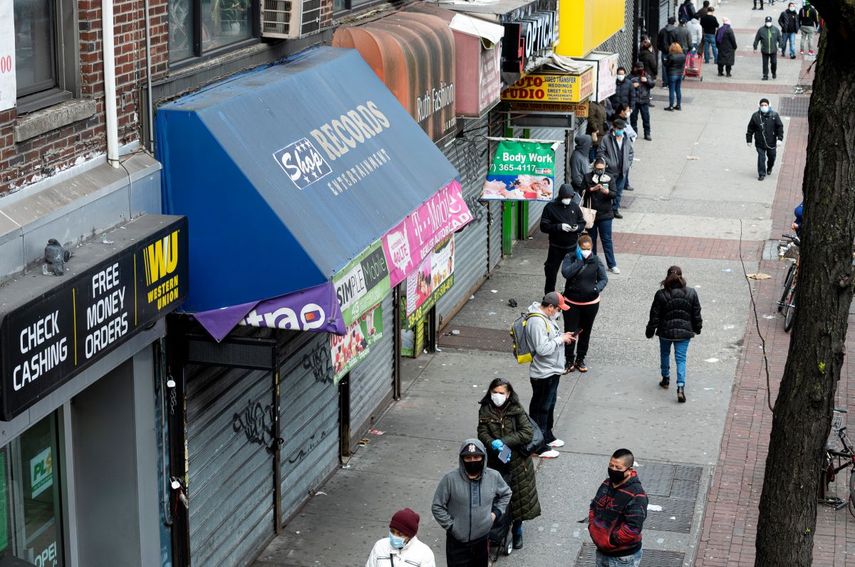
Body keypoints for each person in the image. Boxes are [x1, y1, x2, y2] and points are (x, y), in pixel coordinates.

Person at [477, 378, 541, 559]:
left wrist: (504, 442)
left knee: (518, 498)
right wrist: (492, 444)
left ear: (508, 394)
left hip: (518, 463)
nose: (497, 396)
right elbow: (482, 432)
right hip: (496, 462)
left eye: (501, 393)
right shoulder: (485, 409)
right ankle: (497, 532)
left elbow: (526, 432)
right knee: (498, 498)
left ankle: (518, 529)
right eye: (494, 392)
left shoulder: (516, 410)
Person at [432, 440, 512, 567]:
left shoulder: (494, 476)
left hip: (482, 541)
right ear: (462, 459)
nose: (472, 460)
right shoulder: (450, 480)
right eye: (468, 458)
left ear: (483, 457)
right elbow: (437, 506)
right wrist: (452, 526)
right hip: (457, 543)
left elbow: (506, 493)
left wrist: (496, 513)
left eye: (476, 457)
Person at [525, 292, 575, 458]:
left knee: (549, 404)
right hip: (543, 373)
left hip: (551, 370)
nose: (559, 312)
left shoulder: (546, 318)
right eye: (558, 309)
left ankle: (546, 435)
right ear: (550, 307)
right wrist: (560, 339)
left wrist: (563, 336)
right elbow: (542, 349)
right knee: (541, 408)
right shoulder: (537, 322)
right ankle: (538, 446)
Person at [645, 266, 702, 403]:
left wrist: (650, 331)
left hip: (665, 331)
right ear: (682, 277)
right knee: (681, 359)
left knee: (665, 354)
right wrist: (697, 328)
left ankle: (665, 379)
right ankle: (680, 387)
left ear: (667, 277)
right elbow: (696, 314)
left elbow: (655, 315)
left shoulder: (661, 294)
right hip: (684, 332)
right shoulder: (691, 293)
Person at [589, 449, 649, 567]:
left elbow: (633, 527)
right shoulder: (607, 484)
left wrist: (611, 541)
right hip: (602, 551)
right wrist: (593, 527)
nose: (613, 470)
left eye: (618, 467)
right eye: (611, 465)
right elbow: (594, 506)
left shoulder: (637, 495)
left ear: (629, 470)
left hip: (622, 558)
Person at [561, 235, 608, 373]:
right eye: (583, 248)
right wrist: (579, 262)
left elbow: (603, 279)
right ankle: (569, 359)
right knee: (570, 332)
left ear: (591, 247)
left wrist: (596, 289)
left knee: (585, 332)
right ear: (578, 247)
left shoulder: (596, 260)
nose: (586, 251)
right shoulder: (570, 257)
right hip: (571, 302)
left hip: (590, 303)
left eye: (588, 249)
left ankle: (580, 359)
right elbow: (566, 273)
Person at [540, 184, 586, 294]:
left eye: (570, 197)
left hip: (571, 247)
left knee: (572, 273)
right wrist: (558, 227)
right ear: (560, 196)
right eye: (566, 197)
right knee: (551, 272)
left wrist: (577, 228)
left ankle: (568, 294)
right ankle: (549, 295)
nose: (568, 200)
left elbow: (582, 222)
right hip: (555, 247)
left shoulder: (574, 206)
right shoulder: (550, 208)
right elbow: (544, 226)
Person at [583, 158, 618, 274]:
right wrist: (592, 189)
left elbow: (614, 194)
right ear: (594, 168)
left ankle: (612, 264)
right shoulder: (588, 177)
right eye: (597, 169)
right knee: (591, 240)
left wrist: (606, 192)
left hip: (605, 214)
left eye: (601, 169)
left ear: (604, 168)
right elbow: (581, 192)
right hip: (591, 214)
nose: (599, 171)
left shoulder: (609, 177)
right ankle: (592, 263)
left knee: (607, 240)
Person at [366, 508, 436, 567]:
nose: (394, 536)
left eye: (400, 534)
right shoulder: (380, 546)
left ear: (410, 536)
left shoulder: (424, 554)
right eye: (392, 531)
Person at [596, 118, 633, 222]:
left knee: (619, 191)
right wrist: (607, 162)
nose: (620, 131)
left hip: (622, 171)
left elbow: (631, 152)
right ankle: (606, 209)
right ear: (614, 127)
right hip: (610, 171)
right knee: (607, 191)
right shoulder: (607, 139)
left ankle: (615, 209)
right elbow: (600, 152)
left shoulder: (626, 139)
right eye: (618, 128)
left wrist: (628, 164)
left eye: (622, 129)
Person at [746, 97, 784, 181]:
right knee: (761, 157)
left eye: (765, 105)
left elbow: (779, 127)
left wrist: (780, 138)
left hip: (771, 142)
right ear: (759, 106)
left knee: (772, 157)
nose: (764, 106)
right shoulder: (755, 116)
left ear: (769, 105)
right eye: (762, 105)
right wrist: (749, 140)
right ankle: (761, 174)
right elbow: (750, 129)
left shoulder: (774, 115)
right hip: (760, 142)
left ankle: (769, 167)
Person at [754, 16, 782, 80]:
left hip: (773, 50)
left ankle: (773, 72)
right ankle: (765, 75)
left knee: (774, 62)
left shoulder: (775, 29)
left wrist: (780, 46)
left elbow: (780, 38)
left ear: (771, 22)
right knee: (765, 63)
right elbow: (756, 39)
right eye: (767, 22)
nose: (768, 23)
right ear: (765, 22)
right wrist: (755, 47)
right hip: (765, 50)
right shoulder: (761, 30)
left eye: (769, 22)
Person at [629, 64, 652, 141]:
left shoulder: (646, 75)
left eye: (641, 68)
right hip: (634, 101)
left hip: (644, 100)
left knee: (646, 118)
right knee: (633, 118)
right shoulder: (631, 76)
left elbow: (652, 84)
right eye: (638, 68)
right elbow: (625, 85)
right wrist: (632, 85)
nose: (639, 70)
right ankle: (634, 133)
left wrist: (647, 81)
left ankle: (647, 133)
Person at [657, 18, 679, 87]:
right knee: (672, 66)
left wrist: (660, 48)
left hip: (664, 51)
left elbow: (658, 41)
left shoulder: (662, 31)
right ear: (674, 23)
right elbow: (677, 42)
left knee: (664, 67)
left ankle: (665, 83)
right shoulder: (675, 31)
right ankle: (671, 83)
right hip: (673, 52)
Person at [664, 43, 686, 111]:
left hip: (672, 74)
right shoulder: (683, 56)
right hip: (679, 74)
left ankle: (671, 106)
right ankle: (678, 105)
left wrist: (665, 60)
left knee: (671, 90)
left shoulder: (671, 56)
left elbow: (666, 65)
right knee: (678, 89)